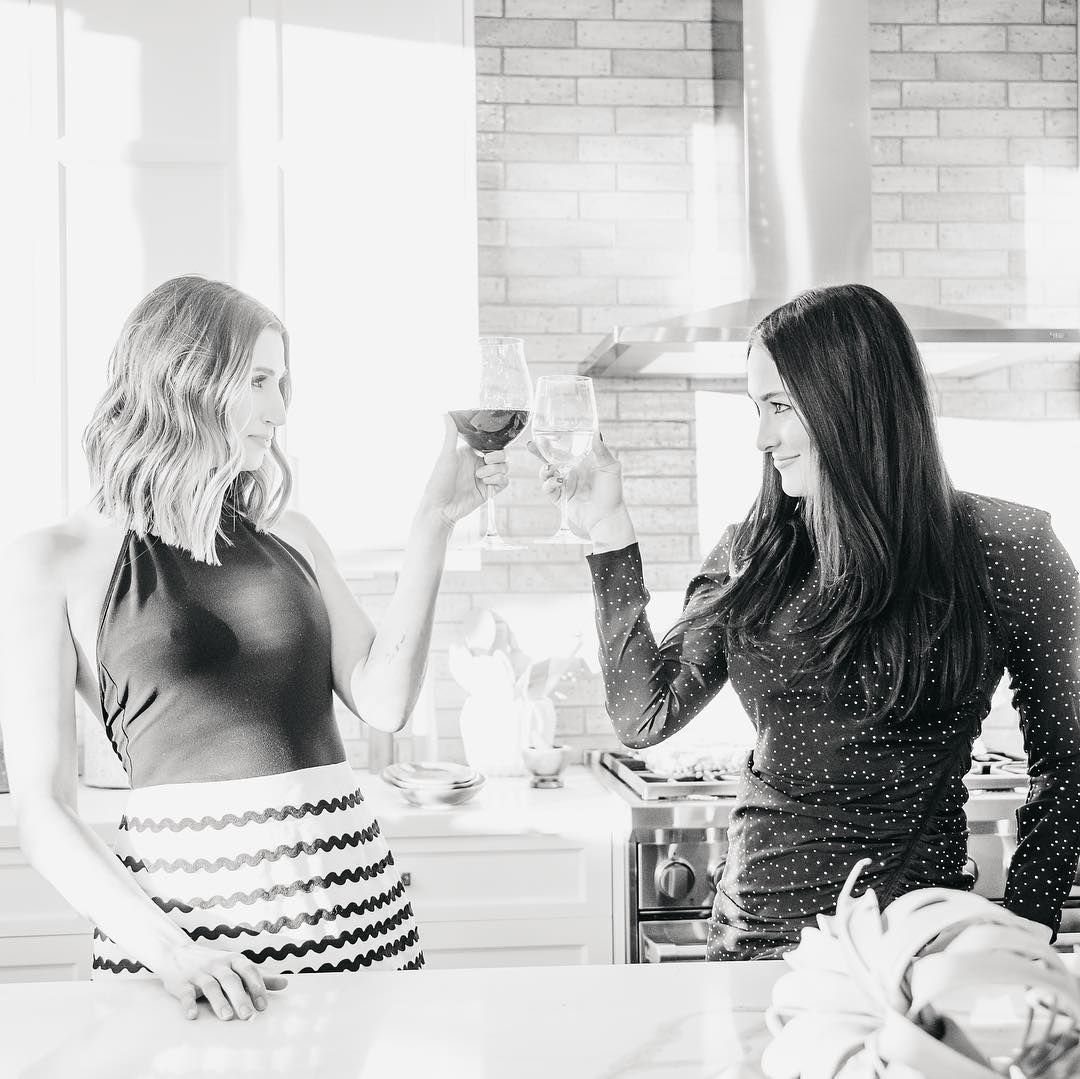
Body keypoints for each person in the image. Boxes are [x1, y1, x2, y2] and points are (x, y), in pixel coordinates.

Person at [0, 275, 509, 1018]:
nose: (280, 409)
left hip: (358, 922)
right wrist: (172, 951)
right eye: (259, 380)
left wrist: (435, 519)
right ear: (186, 379)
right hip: (190, 952)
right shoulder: (53, 559)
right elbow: (43, 811)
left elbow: (386, 701)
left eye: (283, 383)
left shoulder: (291, 534)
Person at [534, 283, 1080, 961]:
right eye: (756, 408)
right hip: (750, 942)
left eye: (779, 406)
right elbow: (644, 716)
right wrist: (608, 529)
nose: (762, 438)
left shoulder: (1008, 546)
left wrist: (1028, 921)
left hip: (908, 953)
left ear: (849, 401)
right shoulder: (752, 553)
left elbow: (1069, 760)